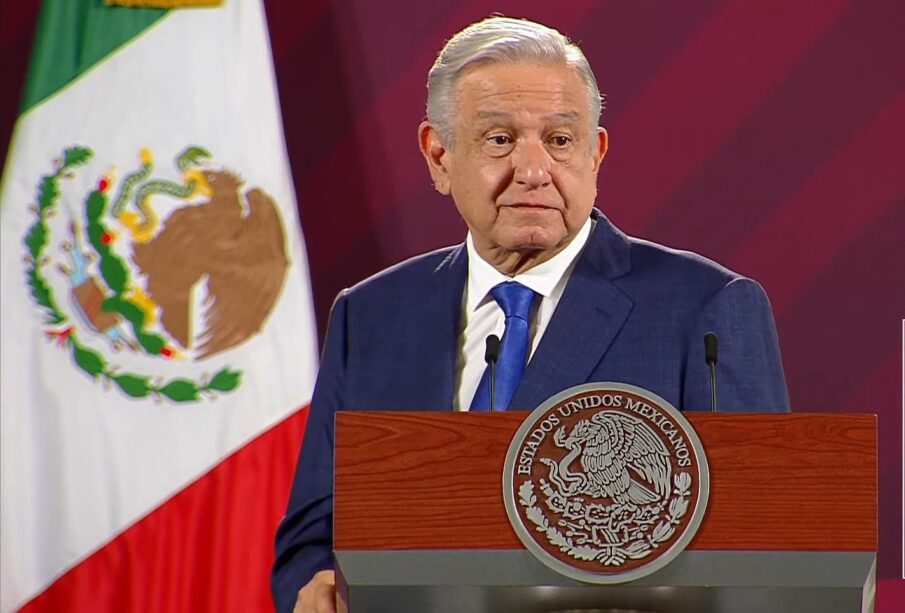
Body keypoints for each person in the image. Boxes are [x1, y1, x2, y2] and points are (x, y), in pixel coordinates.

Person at [272, 16, 789, 613]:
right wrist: (316, 586)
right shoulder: (374, 315)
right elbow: (313, 537)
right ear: (440, 156)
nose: (534, 170)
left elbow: (764, 546)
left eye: (560, 140)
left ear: (595, 154)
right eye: (499, 139)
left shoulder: (705, 308)